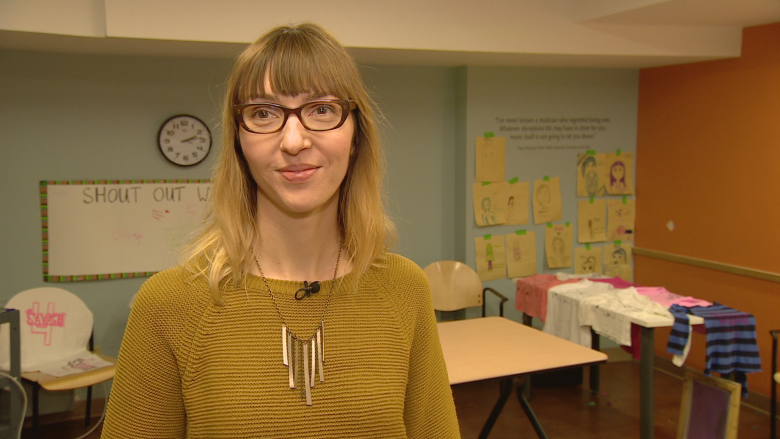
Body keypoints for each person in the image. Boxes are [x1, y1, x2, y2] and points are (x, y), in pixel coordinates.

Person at [101, 23, 460, 438]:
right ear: (239, 142)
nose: (293, 140)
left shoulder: (404, 288)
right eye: (263, 113)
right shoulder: (170, 305)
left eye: (322, 109)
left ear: (356, 136)